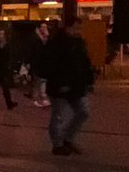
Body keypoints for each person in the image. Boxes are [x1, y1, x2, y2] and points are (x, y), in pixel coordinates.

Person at [41, 19, 94, 155]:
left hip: (76, 86)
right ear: (67, 28)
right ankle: (58, 144)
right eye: (75, 28)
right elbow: (51, 65)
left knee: (83, 112)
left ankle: (67, 139)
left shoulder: (79, 43)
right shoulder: (56, 43)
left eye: (79, 28)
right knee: (59, 115)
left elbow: (84, 63)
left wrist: (88, 81)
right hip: (60, 86)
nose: (77, 31)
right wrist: (60, 83)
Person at [27, 21, 52, 108]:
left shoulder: (46, 39)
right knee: (37, 81)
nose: (44, 29)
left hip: (44, 63)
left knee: (43, 81)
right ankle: (36, 99)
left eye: (45, 27)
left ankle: (43, 98)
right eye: (43, 27)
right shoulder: (36, 39)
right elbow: (33, 51)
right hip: (36, 63)